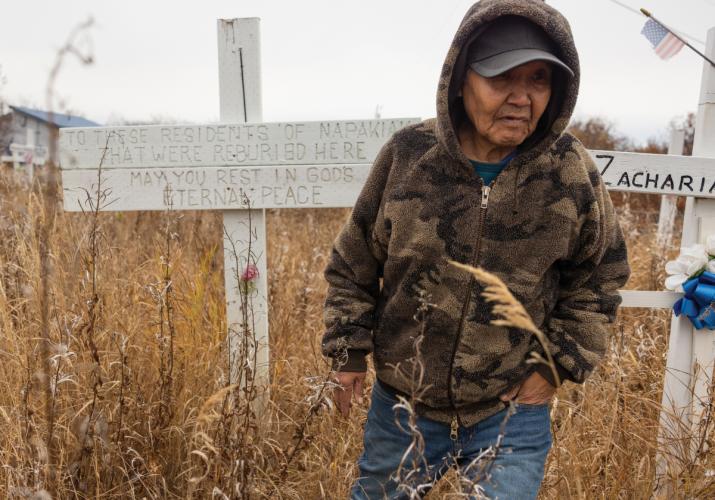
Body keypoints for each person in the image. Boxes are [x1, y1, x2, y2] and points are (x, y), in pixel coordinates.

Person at [321, 0, 631, 498]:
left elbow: (599, 278)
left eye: (538, 80)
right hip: (404, 408)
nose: (521, 98)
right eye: (501, 77)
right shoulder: (407, 156)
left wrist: (557, 363)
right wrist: (348, 351)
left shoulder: (570, 171)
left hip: (510, 414)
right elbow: (353, 263)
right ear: (460, 78)